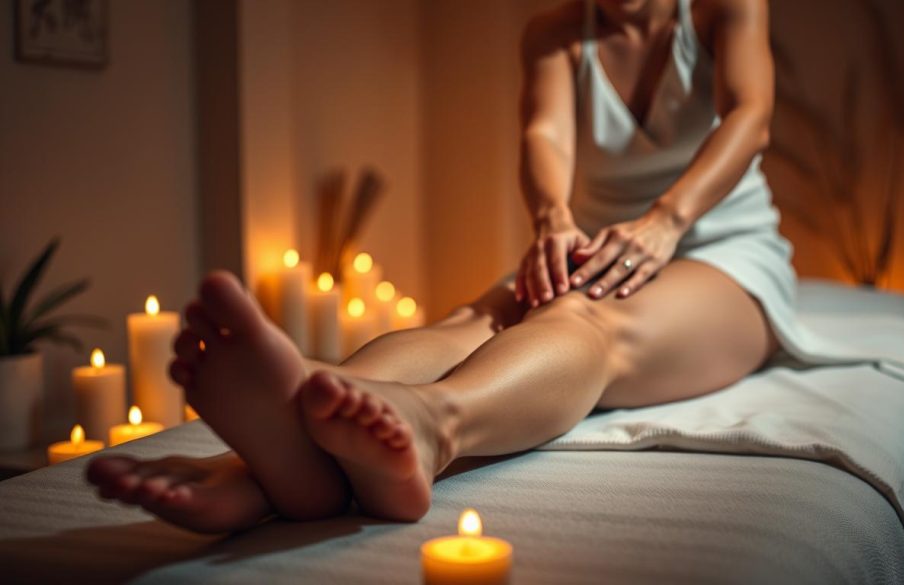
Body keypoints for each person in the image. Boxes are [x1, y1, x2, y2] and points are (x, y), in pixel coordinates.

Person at [87, 0, 786, 532]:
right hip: (595, 239)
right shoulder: (553, 32)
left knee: (585, 319)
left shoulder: (724, 7)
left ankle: (433, 424)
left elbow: (748, 115)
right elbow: (545, 135)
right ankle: (258, 464)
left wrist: (666, 220)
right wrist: (553, 220)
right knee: (476, 320)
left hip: (719, 249)